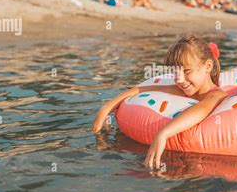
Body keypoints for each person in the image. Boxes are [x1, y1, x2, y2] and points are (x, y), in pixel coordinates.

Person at [93, 35, 228, 169]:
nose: (179, 79)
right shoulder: (181, 90)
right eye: (175, 72)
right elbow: (140, 90)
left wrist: (163, 133)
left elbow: (202, 109)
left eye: (187, 71)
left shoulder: (216, 95)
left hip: (201, 165)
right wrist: (105, 109)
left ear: (208, 66)